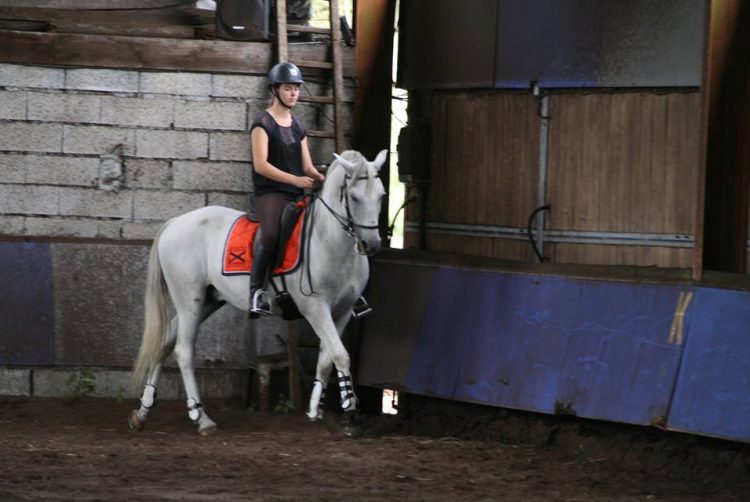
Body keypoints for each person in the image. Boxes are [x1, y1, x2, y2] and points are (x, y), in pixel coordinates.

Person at [248, 62, 325, 318]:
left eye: (296, 89)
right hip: (270, 194)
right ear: (275, 90)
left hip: (295, 194)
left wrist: (324, 177)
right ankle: (256, 291)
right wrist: (295, 181)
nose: (294, 93)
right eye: (288, 88)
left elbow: (307, 166)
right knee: (270, 234)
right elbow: (261, 165)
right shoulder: (262, 123)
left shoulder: (298, 126)